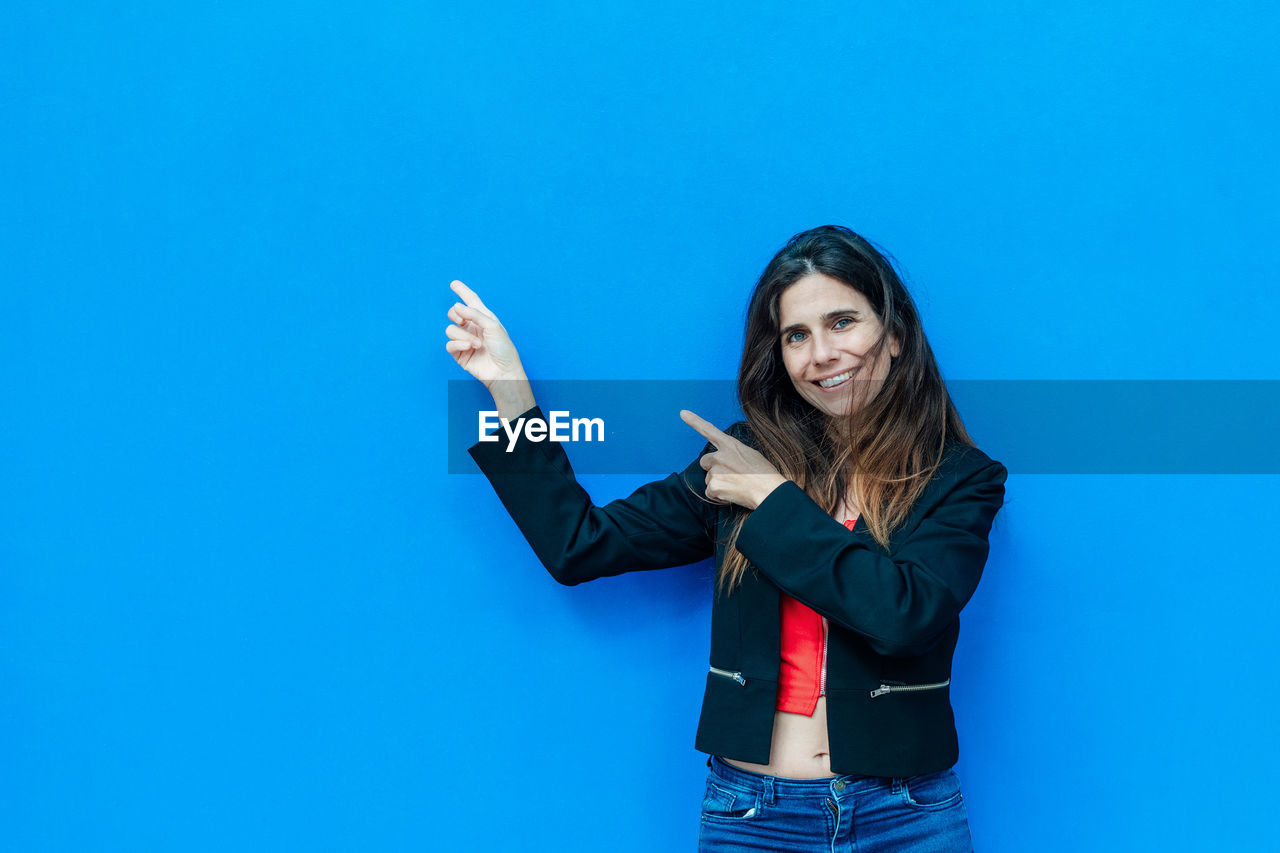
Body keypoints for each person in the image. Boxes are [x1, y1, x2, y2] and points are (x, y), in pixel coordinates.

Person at [445, 225, 1007, 851]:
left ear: (895, 335)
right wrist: (510, 392)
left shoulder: (961, 479)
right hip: (753, 818)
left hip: (907, 814)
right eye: (797, 335)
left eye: (842, 322)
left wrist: (772, 500)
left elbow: (905, 615)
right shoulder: (741, 459)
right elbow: (580, 544)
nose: (820, 354)